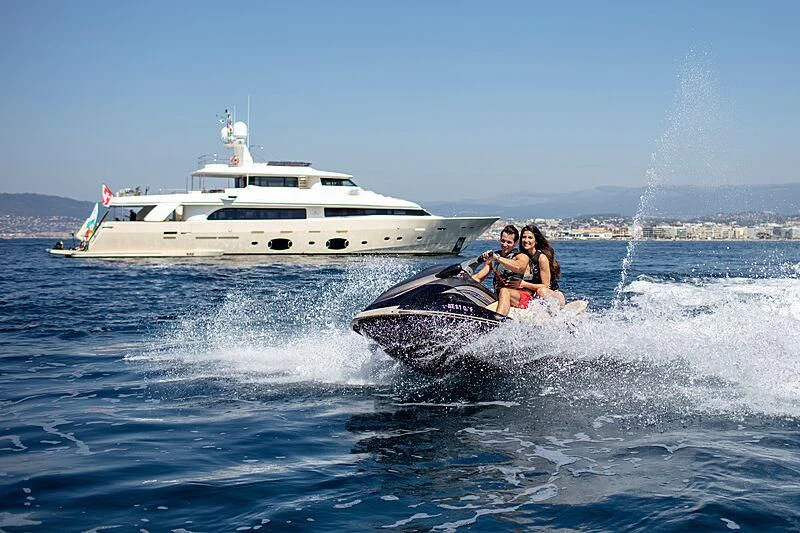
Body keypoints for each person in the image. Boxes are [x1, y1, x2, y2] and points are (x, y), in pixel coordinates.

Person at [492, 224, 566, 315]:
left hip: (552, 295)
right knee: (505, 291)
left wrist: (524, 284)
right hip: (532, 294)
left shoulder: (541, 258)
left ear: (536, 241)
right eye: (524, 237)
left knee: (541, 291)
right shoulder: (521, 256)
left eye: (530, 237)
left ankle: (552, 317)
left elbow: (545, 286)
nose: (526, 240)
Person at [471, 225, 525, 294]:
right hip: (498, 295)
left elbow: (519, 267)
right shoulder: (494, 257)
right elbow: (478, 278)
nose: (505, 245)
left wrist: (497, 258)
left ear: (515, 243)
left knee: (504, 292)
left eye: (509, 242)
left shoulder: (520, 256)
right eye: (503, 241)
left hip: (514, 295)